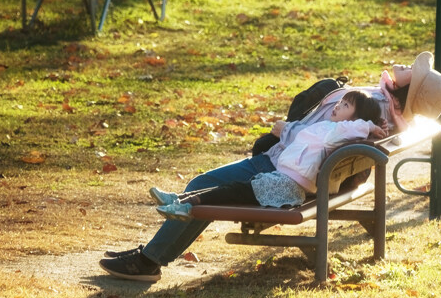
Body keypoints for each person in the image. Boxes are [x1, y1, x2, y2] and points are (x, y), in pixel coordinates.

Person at [99, 51, 441, 282]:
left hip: (282, 171)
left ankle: (148, 263)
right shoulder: (386, 111)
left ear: (407, 92)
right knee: (205, 186)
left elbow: (318, 134)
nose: (404, 66)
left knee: (202, 183)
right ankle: (150, 256)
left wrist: (284, 130)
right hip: (302, 172)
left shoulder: (371, 105)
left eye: (411, 73)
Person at [149, 90, 385, 219]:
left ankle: (186, 206)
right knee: (233, 187)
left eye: (345, 106)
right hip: (282, 180)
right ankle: (180, 199)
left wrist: (371, 127)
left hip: (287, 186)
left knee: (233, 191)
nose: (336, 106)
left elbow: (356, 127)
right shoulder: (329, 128)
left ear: (356, 118)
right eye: (340, 102)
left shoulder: (340, 131)